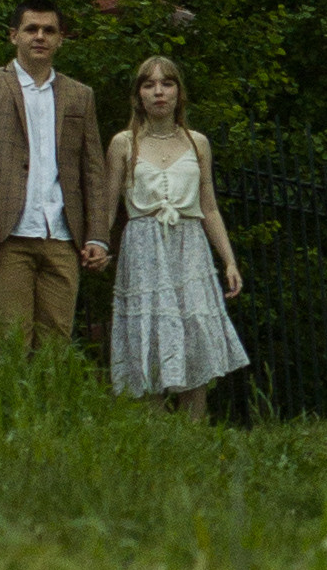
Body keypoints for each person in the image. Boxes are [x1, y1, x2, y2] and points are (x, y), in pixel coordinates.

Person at [0, 0, 111, 349]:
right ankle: (9, 406)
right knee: (11, 343)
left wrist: (97, 236)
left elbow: (93, 170)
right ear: (14, 36)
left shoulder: (79, 95)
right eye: (31, 29)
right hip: (7, 234)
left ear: (61, 39)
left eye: (49, 30)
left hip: (61, 235)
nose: (39, 36)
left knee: (55, 346)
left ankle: (50, 406)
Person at [104, 53, 247, 419]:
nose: (158, 92)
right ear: (138, 95)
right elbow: (108, 207)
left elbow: (209, 207)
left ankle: (192, 432)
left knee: (195, 334)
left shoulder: (197, 142)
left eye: (166, 83)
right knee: (148, 334)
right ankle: (156, 436)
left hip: (189, 247)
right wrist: (99, 244)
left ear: (179, 92)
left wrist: (228, 260)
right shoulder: (124, 143)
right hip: (143, 247)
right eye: (149, 85)